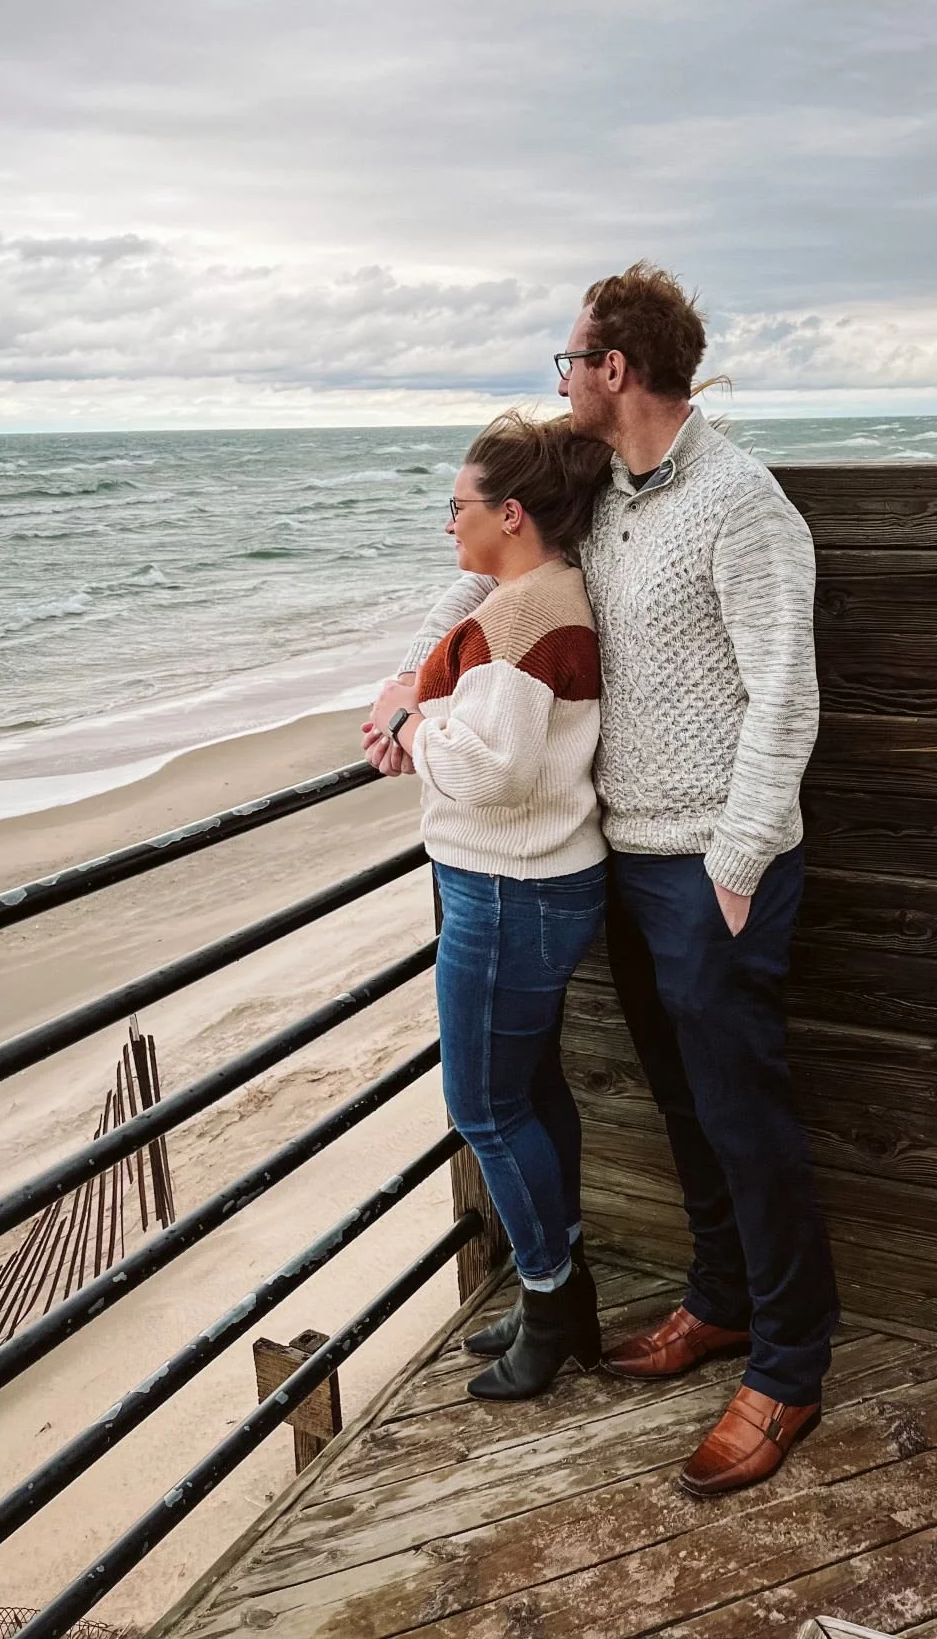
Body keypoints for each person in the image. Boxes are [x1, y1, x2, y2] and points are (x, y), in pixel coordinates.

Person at [395, 263, 837, 1496]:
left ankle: (790, 1369)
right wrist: (406, 681)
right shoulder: (600, 491)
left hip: (714, 866)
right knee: (684, 1103)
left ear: (615, 372)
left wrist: (742, 861)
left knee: (746, 1113)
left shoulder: (742, 506)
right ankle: (723, 1301)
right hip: (623, 856)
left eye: (569, 359)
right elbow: (488, 574)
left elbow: (785, 697)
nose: (561, 378)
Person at [363, 410, 611, 1401]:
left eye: (456, 506)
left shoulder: (519, 621)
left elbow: (495, 771)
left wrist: (414, 722)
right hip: (543, 881)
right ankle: (563, 1289)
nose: (447, 525)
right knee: (536, 1092)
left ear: (510, 513)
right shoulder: (542, 592)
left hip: (509, 888)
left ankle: (551, 1304)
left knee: (484, 1104)